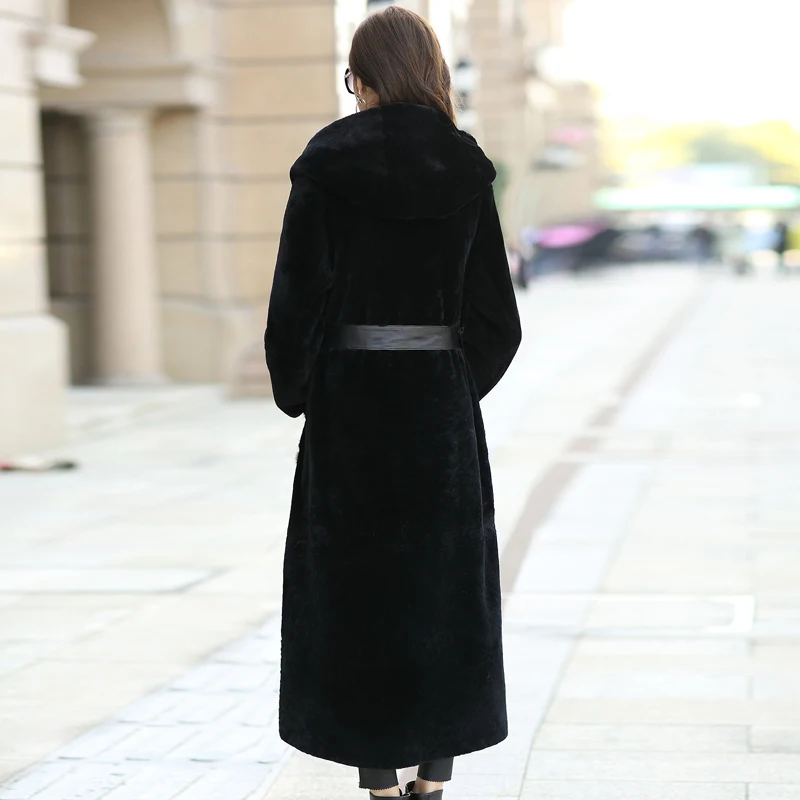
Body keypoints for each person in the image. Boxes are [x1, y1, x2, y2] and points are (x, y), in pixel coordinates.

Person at [264, 7, 522, 800]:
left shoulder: (327, 162)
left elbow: (295, 303)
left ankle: (378, 785)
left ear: (360, 77)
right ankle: (433, 783)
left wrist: (303, 390)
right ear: (433, 71)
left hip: (349, 404)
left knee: (355, 592)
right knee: (442, 587)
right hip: (438, 407)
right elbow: (497, 320)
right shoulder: (464, 165)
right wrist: (450, 384)